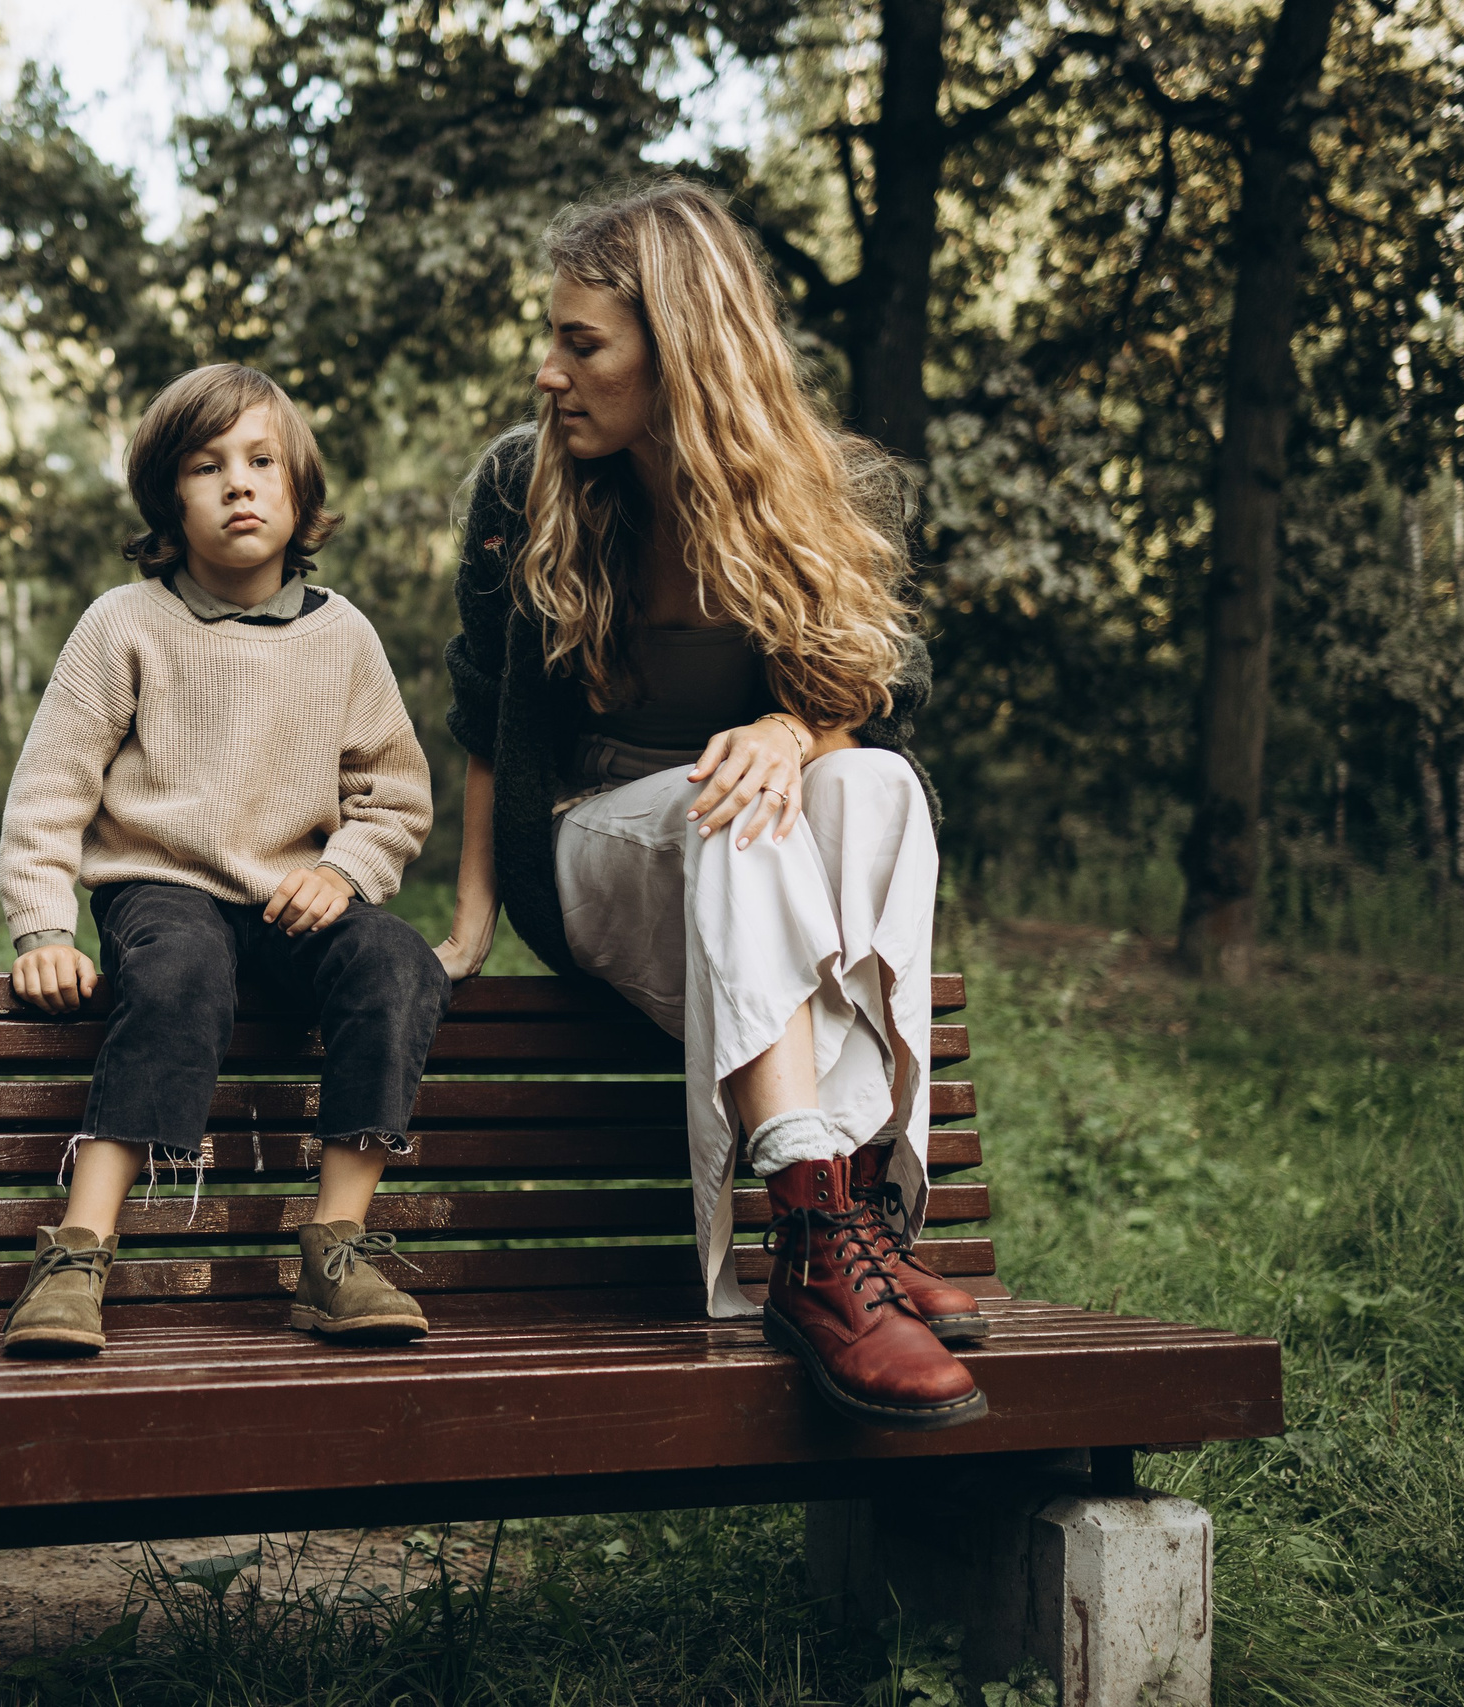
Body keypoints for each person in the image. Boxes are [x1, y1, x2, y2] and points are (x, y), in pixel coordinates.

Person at [436, 182, 986, 1430]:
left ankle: (821, 1230)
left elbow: (868, 700)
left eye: (582, 344)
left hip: (749, 853)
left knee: (873, 782)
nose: (547, 373)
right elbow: (487, 723)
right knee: (735, 805)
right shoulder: (523, 484)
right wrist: (470, 922)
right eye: (553, 339)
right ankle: (823, 1214)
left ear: (675, 349)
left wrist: (792, 730)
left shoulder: (829, 485)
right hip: (592, 849)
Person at [0, 364, 449, 1356]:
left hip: (297, 903)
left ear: (299, 492)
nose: (239, 484)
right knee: (180, 966)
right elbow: (50, 791)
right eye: (208, 467)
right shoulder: (123, 623)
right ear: (170, 498)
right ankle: (77, 1250)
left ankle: (333, 1249)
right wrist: (40, 926)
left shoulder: (343, 636)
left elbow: (394, 792)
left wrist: (345, 871)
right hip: (161, 887)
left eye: (261, 462)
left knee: (396, 961)